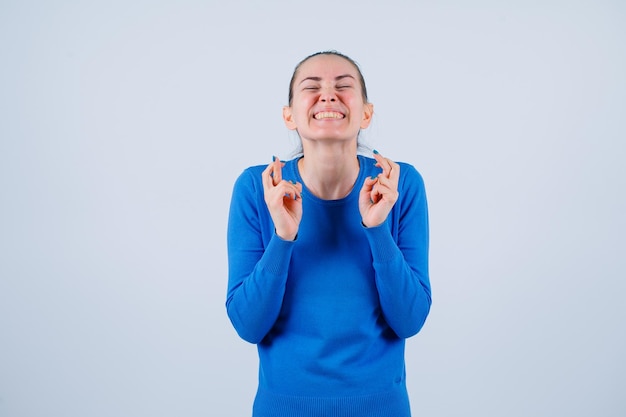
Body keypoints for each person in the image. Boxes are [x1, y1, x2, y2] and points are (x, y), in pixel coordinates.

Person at [226, 50, 431, 417]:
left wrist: (377, 230)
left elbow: (410, 319)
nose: (328, 95)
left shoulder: (400, 185)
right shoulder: (257, 189)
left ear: (366, 113)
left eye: (343, 85)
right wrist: (283, 238)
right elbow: (248, 324)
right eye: (312, 86)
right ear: (289, 115)